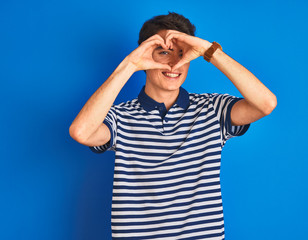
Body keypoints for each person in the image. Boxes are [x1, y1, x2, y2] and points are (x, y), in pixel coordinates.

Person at [69, 12, 277, 240]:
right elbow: (82, 132)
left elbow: (265, 104)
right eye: (164, 52)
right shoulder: (120, 117)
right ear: (146, 54)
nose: (174, 64)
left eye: (182, 54)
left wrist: (209, 51)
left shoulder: (211, 109)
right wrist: (130, 64)